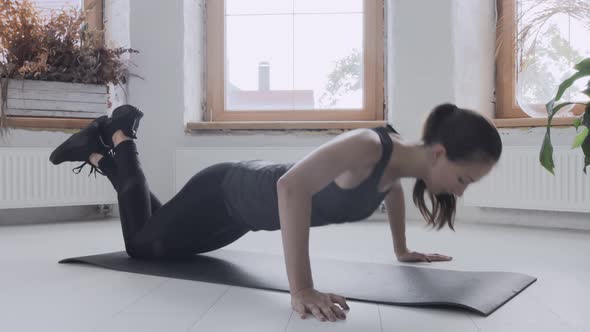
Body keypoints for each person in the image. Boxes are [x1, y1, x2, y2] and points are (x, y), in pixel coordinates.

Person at [49, 103, 502, 322]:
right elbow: (291, 187)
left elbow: (393, 193)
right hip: (226, 190)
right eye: (464, 180)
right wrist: (301, 288)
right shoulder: (369, 144)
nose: (459, 192)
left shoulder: (396, 167)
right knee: (142, 246)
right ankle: (121, 136)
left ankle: (100, 156)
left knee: (161, 234)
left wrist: (402, 250)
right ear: (440, 154)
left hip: (239, 216)